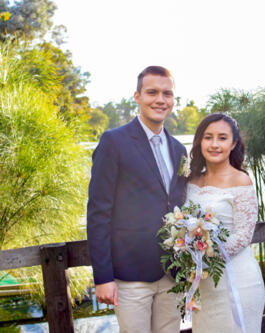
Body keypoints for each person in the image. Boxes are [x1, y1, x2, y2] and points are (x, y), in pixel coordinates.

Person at [87, 66, 187, 333]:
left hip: (172, 273)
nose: (160, 99)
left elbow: (180, 207)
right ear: (137, 96)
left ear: (173, 99)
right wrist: (103, 277)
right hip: (130, 276)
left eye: (167, 93)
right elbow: (98, 213)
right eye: (152, 92)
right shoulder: (113, 142)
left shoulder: (179, 149)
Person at [186, 113, 265, 332]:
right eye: (208, 137)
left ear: (234, 143)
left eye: (222, 138)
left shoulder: (241, 180)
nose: (214, 144)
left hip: (237, 280)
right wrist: (185, 252)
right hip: (204, 284)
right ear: (199, 141)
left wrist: (203, 254)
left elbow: (243, 236)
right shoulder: (191, 180)